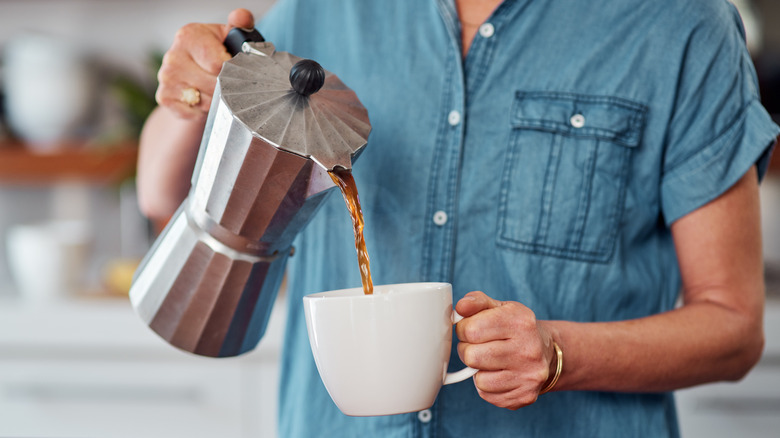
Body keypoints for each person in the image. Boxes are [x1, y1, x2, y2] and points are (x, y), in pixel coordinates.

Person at [137, 1, 779, 436]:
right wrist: (188, 100)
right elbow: (161, 194)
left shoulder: (680, 26)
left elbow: (733, 326)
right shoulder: (322, 10)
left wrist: (558, 354)